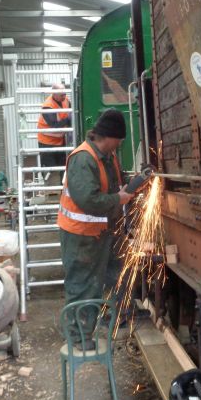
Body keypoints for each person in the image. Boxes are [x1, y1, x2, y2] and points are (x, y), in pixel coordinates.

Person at [58, 109, 134, 311]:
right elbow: (88, 201)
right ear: (109, 137)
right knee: (83, 286)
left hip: (102, 232)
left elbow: (115, 184)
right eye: (119, 140)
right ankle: (79, 337)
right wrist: (118, 198)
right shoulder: (83, 159)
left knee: (114, 274)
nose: (120, 144)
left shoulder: (108, 156)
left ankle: (115, 317)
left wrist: (132, 186)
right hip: (80, 237)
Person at [37, 83, 72, 181]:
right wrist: (68, 120)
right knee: (50, 169)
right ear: (54, 94)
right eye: (62, 95)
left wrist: (65, 122)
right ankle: (50, 190)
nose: (64, 96)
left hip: (60, 140)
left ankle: (61, 188)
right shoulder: (47, 107)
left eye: (65, 94)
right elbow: (55, 126)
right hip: (47, 143)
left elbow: (70, 113)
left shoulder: (66, 100)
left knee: (62, 166)